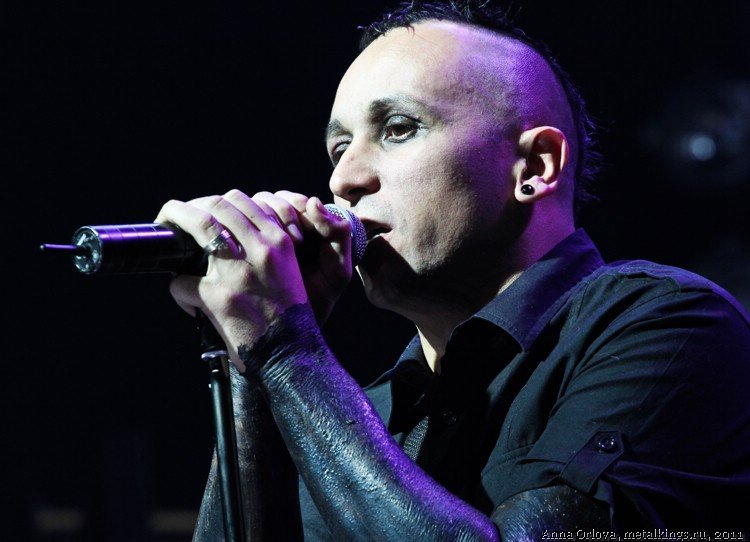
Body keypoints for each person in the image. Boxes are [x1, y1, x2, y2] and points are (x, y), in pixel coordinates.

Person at [155, 1, 750, 539]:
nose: (344, 180)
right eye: (339, 149)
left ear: (534, 167)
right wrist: (249, 357)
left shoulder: (671, 328)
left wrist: (286, 351)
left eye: (398, 129)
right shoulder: (360, 414)